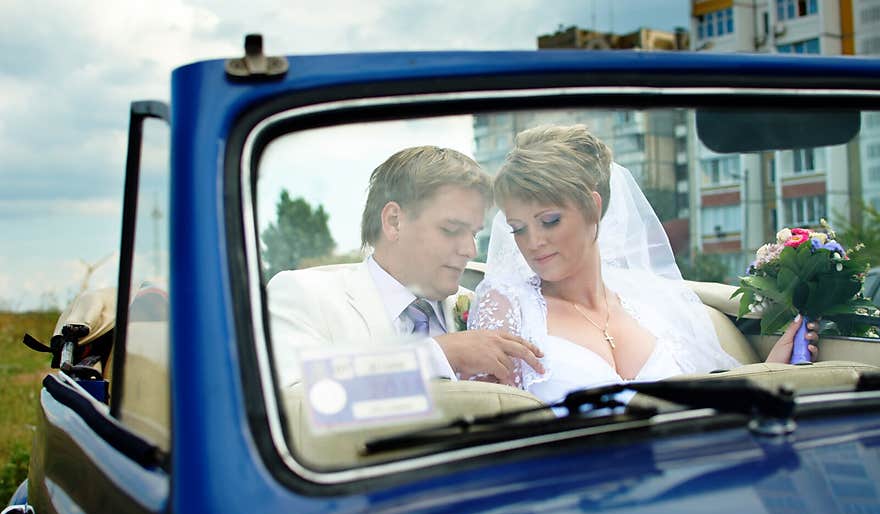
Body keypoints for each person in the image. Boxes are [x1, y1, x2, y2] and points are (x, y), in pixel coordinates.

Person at [468, 124, 817, 403]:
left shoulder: (655, 306)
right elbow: (490, 414)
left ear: (592, 207)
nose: (533, 242)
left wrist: (771, 370)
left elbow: (711, 411)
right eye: (518, 229)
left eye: (549, 221)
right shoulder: (506, 304)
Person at [267, 145, 545, 388]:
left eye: (473, 233)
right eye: (451, 229)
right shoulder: (305, 297)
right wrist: (439, 356)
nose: (469, 250)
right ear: (393, 221)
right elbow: (296, 406)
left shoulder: (482, 309)